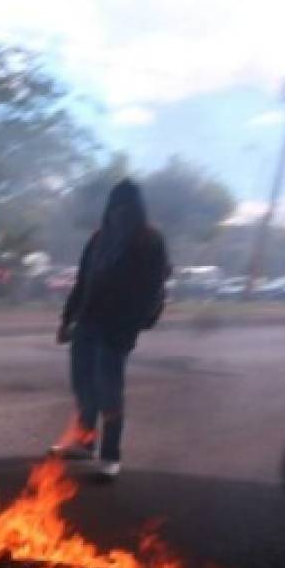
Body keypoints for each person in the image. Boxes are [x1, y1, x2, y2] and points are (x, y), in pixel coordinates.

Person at [51, 179, 171, 479]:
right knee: (83, 386)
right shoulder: (98, 239)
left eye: (127, 206)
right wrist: (67, 320)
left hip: (117, 327)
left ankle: (111, 455)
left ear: (137, 208)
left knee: (109, 391)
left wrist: (131, 327)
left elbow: (152, 288)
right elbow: (83, 283)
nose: (120, 212)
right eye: (115, 205)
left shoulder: (149, 240)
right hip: (87, 323)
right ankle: (85, 442)